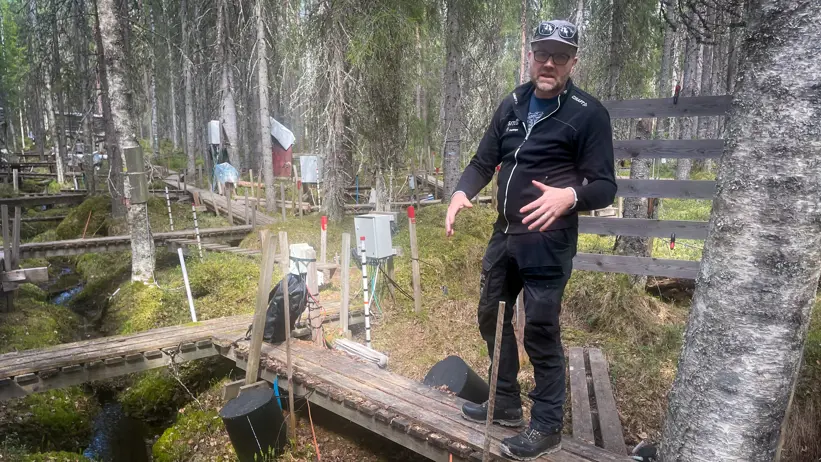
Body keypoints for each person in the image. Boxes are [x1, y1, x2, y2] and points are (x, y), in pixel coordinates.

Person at [445, 19, 617, 460]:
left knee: (540, 329)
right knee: (491, 315)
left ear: (573, 62)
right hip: (504, 235)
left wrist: (569, 196)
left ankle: (546, 426)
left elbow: (604, 186)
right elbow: (483, 161)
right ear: (531, 55)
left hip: (548, 239)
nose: (549, 63)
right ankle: (503, 403)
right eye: (542, 53)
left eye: (560, 56)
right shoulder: (513, 102)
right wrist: (462, 192)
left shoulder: (588, 113)